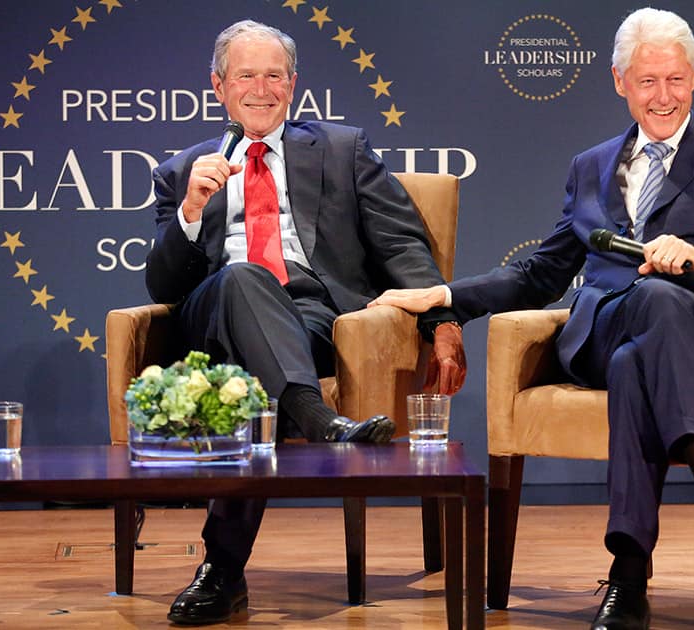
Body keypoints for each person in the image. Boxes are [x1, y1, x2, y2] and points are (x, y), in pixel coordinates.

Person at [369, 7, 694, 629]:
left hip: (687, 337)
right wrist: (443, 297)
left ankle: (627, 577)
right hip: (596, 333)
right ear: (620, 81)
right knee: (644, 313)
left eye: (675, 80)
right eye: (647, 81)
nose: (663, 97)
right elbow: (541, 272)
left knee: (644, 341)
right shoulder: (591, 165)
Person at [146, 20, 465, 625]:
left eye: (274, 75)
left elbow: (402, 244)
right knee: (244, 278)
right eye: (246, 75)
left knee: (255, 372)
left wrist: (442, 322)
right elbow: (163, 289)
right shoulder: (182, 170)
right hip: (216, 317)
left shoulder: (342, 148)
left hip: (313, 318)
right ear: (219, 87)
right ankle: (319, 420)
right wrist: (191, 211)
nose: (261, 88)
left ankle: (221, 573)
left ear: (293, 85)